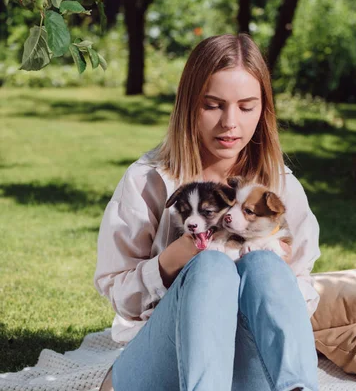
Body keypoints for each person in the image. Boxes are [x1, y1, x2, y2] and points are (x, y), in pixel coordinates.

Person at [94, 34, 321, 391]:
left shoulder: (278, 187)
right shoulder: (149, 179)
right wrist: (174, 260)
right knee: (211, 266)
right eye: (213, 105)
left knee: (264, 264)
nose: (230, 122)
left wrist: (267, 278)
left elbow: (303, 291)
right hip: (168, 359)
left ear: (264, 110)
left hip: (249, 360)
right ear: (188, 105)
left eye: (247, 107)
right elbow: (116, 290)